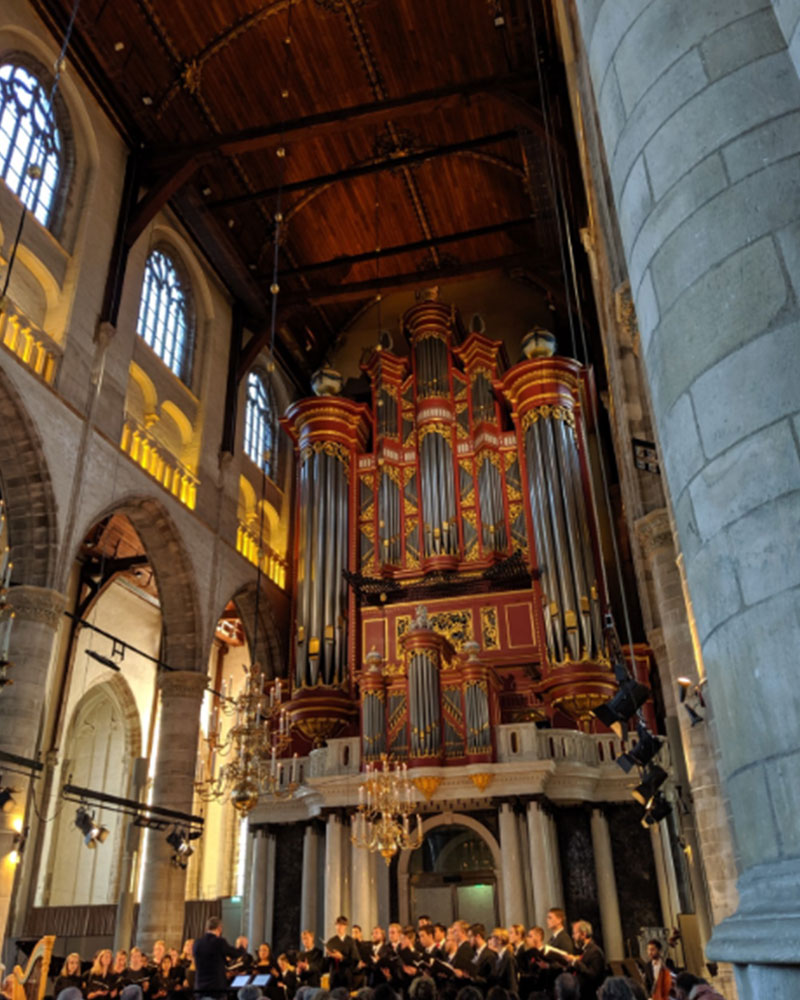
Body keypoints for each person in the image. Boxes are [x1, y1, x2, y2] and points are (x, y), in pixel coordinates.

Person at [193, 915, 246, 997]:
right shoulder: (219, 942)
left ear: (207, 928)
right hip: (215, 988)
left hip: (200, 987)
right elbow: (235, 954)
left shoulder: (197, 943)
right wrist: (242, 946)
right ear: (219, 928)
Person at [566, 921, 605, 1000]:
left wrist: (575, 962)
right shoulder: (584, 950)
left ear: (583, 934)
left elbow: (593, 975)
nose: (573, 937)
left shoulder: (595, 951)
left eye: (575, 933)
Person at [324, 916, 360, 989]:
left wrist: (342, 958)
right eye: (337, 925)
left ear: (345, 926)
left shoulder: (350, 941)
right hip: (334, 977)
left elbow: (355, 960)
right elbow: (326, 963)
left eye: (341, 925)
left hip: (346, 977)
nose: (339, 927)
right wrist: (328, 955)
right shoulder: (331, 941)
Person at [486, 929, 517, 995]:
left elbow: (512, 982)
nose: (491, 940)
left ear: (500, 940)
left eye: (493, 937)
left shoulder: (508, 958)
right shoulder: (496, 957)